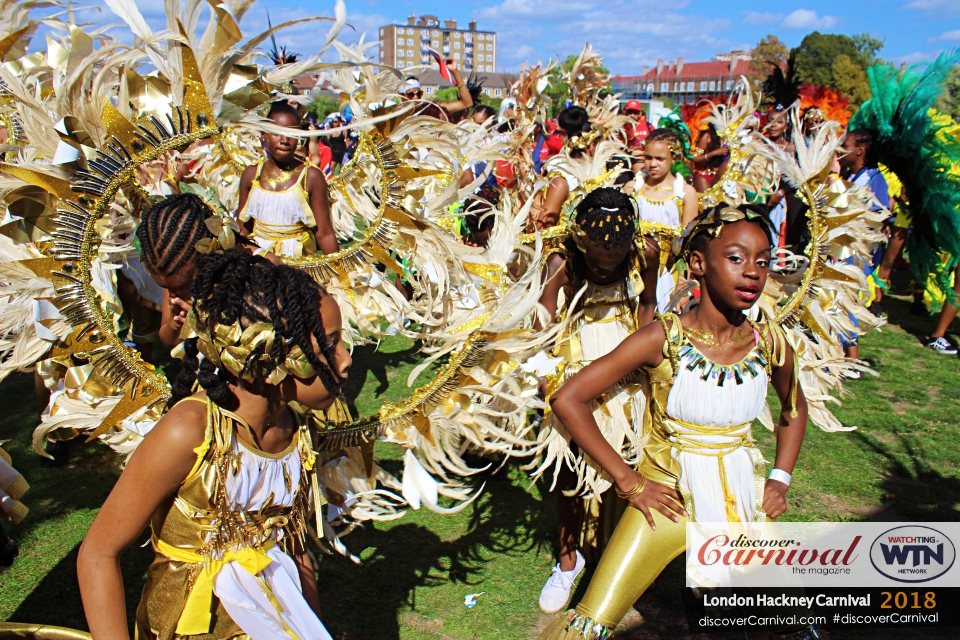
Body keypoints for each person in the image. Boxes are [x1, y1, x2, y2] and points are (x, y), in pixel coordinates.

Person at [538, 205, 808, 640]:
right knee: (589, 626)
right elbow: (568, 398)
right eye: (737, 258)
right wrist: (630, 483)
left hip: (743, 504)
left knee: (789, 626)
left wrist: (779, 478)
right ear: (698, 264)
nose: (753, 273)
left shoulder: (771, 342)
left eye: (763, 260)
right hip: (665, 503)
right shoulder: (662, 339)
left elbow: (794, 409)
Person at [77, 250, 353, 639]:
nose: (344, 361)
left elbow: (293, 546)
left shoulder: (297, 430)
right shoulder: (189, 431)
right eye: (329, 345)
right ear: (272, 354)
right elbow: (97, 553)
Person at [533, 188, 659, 614]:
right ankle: (568, 562)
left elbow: (648, 310)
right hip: (573, 375)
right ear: (581, 237)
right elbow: (544, 323)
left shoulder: (643, 258)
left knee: (623, 464)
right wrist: (543, 373)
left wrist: (648, 362)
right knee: (569, 472)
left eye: (618, 243)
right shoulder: (562, 263)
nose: (608, 252)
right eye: (599, 244)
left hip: (625, 373)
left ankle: (615, 556)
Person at [237, 101, 339, 258]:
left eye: (291, 133)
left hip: (298, 264)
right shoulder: (251, 175)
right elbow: (243, 229)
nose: (284, 140)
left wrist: (342, 276)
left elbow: (324, 233)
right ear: (263, 135)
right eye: (276, 132)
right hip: (260, 263)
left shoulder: (311, 176)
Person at [837, 128, 889, 362]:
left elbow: (880, 217)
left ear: (860, 149)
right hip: (843, 248)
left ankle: (852, 361)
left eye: (844, 144)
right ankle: (844, 356)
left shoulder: (874, 179)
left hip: (860, 251)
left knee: (846, 299)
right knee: (837, 298)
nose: (840, 149)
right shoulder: (849, 176)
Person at [635, 128, 699, 313]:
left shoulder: (685, 193)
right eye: (648, 157)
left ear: (674, 157)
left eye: (660, 158)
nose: (652, 163)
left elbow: (687, 243)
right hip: (636, 270)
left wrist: (683, 286)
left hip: (667, 273)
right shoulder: (633, 188)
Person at [401, 59, 474, 122]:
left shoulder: (431, 109)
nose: (416, 97)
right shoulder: (394, 115)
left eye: (419, 93)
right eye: (411, 94)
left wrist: (454, 71)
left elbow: (467, 103)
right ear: (401, 96)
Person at [691, 123, 728, 192]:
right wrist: (715, 153)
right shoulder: (707, 136)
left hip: (724, 175)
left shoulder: (732, 135)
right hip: (705, 177)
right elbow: (695, 159)